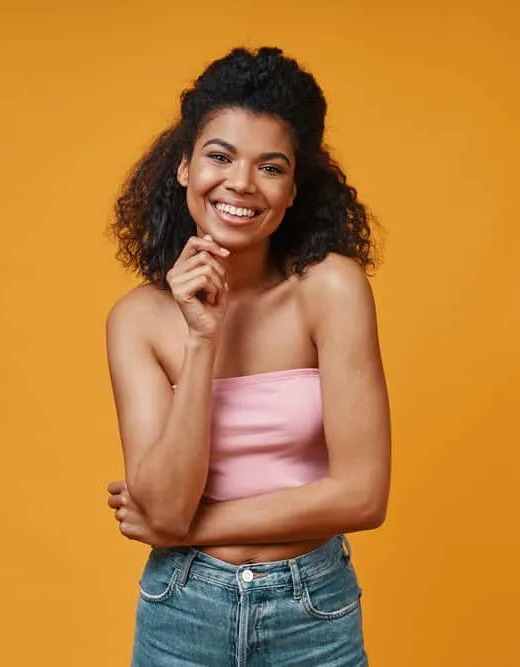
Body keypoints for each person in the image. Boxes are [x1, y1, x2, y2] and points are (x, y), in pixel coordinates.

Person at [104, 46, 391, 666]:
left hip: (312, 610)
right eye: (219, 156)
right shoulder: (138, 321)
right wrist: (202, 337)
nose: (240, 183)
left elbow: (363, 496)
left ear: (292, 191)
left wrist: (183, 530)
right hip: (182, 609)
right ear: (183, 167)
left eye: (270, 166)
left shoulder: (331, 290)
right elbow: (167, 503)